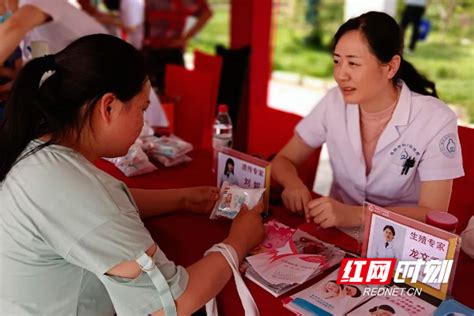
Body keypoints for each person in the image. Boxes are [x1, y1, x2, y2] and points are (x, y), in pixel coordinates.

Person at [0, 34, 265, 315]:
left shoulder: (35, 147)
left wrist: (182, 199)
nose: (143, 121)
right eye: (143, 109)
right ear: (109, 106)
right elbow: (168, 306)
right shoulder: (70, 187)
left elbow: (100, 210)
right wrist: (239, 241)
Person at [271, 11, 464, 228]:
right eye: (337, 61)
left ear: (391, 67)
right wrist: (293, 183)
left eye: (353, 64)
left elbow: (433, 213)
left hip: (397, 242)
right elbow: (283, 159)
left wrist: (357, 215)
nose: (341, 74)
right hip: (337, 232)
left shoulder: (435, 119)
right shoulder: (333, 102)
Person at [0, 0, 167, 128]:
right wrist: (15, 84)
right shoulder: (33, 24)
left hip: (126, 99)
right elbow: (44, 69)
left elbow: (12, 27)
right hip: (104, 108)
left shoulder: (39, 3)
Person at [142, 0, 212, 93]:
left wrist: (185, 38)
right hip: (147, 51)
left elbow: (206, 13)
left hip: (172, 52)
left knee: (175, 95)